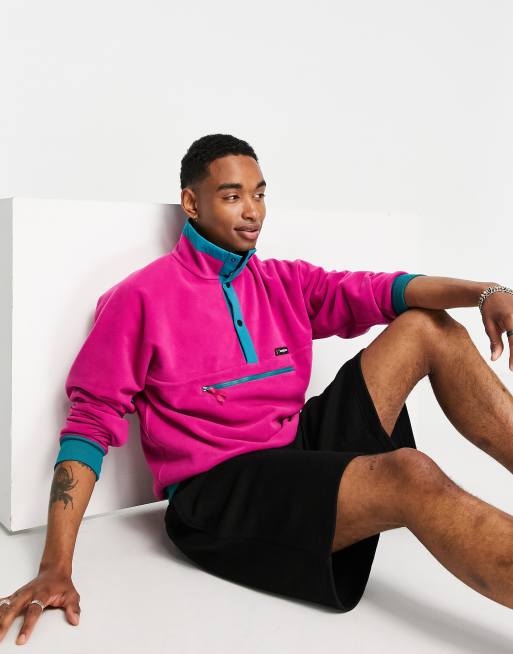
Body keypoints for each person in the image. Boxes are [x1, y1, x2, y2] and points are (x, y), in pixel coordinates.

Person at [2, 134, 513, 646]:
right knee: (411, 472)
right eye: (232, 196)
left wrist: (487, 292)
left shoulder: (280, 282)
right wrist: (55, 566)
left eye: (260, 194)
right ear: (191, 203)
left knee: (425, 326)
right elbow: (89, 425)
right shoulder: (140, 299)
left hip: (295, 451)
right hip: (220, 493)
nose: (252, 212)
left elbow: (380, 290)